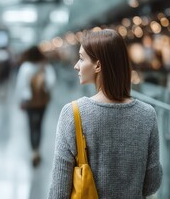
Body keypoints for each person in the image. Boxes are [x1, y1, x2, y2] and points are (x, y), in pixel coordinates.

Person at [48, 29, 162, 198]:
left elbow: (59, 190)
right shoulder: (147, 114)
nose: (76, 65)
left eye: (81, 58)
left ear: (98, 65)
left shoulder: (73, 114)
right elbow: (152, 183)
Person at [16, 46, 56, 167]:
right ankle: (37, 149)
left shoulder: (25, 67)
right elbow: (51, 82)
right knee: (39, 125)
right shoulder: (45, 66)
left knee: (31, 125)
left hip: (29, 101)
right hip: (42, 101)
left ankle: (33, 151)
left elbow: (20, 85)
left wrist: (20, 100)